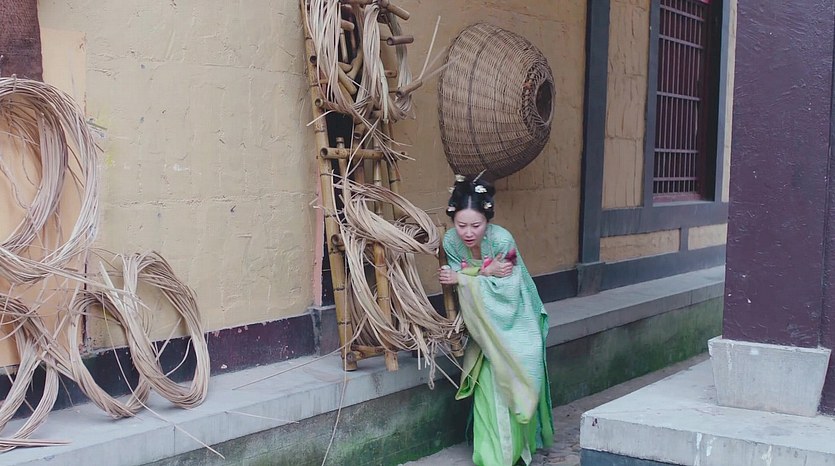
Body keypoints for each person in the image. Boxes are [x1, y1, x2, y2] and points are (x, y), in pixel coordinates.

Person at [438, 175, 554, 466]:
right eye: (461, 225)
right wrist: (485, 272)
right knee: (489, 385)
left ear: (487, 220)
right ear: (453, 220)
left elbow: (508, 287)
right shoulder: (450, 241)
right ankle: (493, 457)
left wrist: (466, 276)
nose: (468, 233)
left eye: (476, 225)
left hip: (517, 318)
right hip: (482, 325)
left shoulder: (503, 240)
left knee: (522, 377)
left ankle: (520, 447)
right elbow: (456, 277)